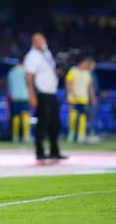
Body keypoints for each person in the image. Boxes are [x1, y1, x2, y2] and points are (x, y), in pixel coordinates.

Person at [24, 33, 67, 161]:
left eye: (42, 39)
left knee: (55, 124)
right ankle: (40, 151)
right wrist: (32, 95)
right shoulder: (32, 56)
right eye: (38, 40)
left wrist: (60, 71)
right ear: (34, 42)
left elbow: (50, 72)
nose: (42, 42)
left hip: (52, 92)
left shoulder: (47, 54)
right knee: (42, 124)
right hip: (41, 93)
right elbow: (29, 76)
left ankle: (54, 150)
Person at [65, 55, 95, 143]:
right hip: (73, 99)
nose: (86, 64)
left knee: (82, 118)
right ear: (81, 62)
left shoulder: (87, 73)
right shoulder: (73, 71)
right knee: (72, 117)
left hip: (83, 99)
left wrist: (92, 97)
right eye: (85, 62)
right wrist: (73, 94)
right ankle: (71, 134)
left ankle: (81, 135)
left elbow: (89, 87)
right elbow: (68, 83)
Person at [6, 61, 30, 143]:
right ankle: (26, 136)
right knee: (25, 116)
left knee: (16, 117)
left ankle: (15, 137)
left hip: (15, 98)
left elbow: (9, 87)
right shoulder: (26, 71)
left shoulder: (11, 72)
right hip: (25, 97)